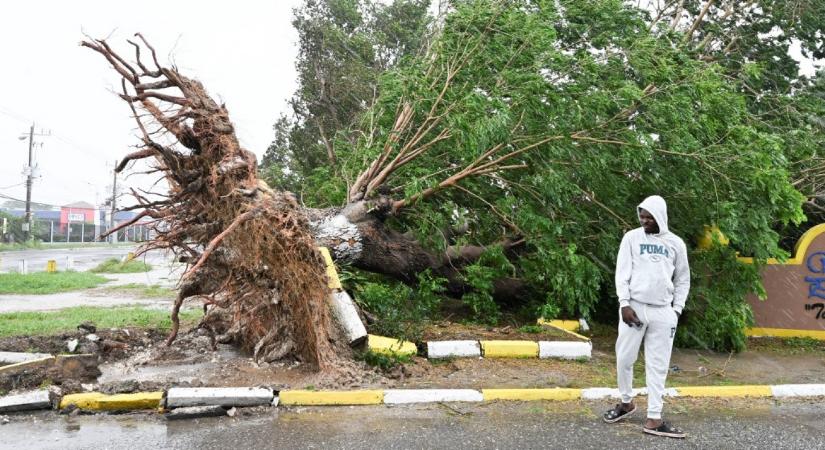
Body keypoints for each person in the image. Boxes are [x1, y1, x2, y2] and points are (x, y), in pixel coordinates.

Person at [603, 195, 690, 439]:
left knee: (658, 365)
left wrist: (676, 310)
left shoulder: (676, 243)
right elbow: (622, 273)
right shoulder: (632, 238)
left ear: (660, 216)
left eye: (649, 217)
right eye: (642, 216)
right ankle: (626, 403)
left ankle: (654, 418)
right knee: (624, 358)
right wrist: (624, 303)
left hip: (663, 312)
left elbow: (683, 279)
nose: (644, 221)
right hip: (634, 308)